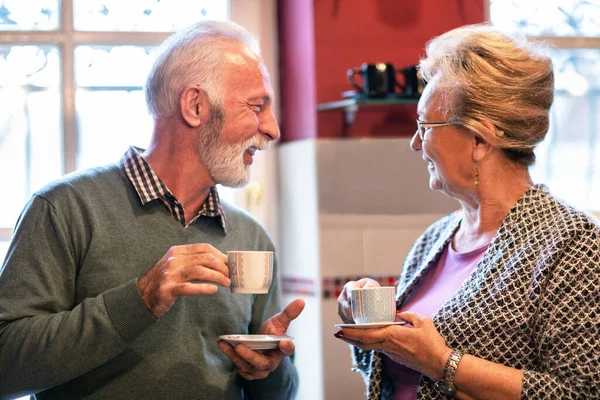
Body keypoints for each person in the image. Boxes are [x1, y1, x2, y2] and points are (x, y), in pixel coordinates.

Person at [0, 20, 304, 400]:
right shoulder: (65, 209)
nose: (273, 129)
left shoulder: (251, 236)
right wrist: (141, 299)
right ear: (195, 106)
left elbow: (281, 394)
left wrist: (270, 373)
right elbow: (6, 367)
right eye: (257, 106)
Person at [335, 24, 600, 399]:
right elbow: (403, 379)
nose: (415, 143)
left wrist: (443, 362)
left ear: (479, 139)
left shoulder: (572, 245)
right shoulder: (436, 238)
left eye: (425, 126)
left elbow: (581, 393)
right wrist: (375, 331)